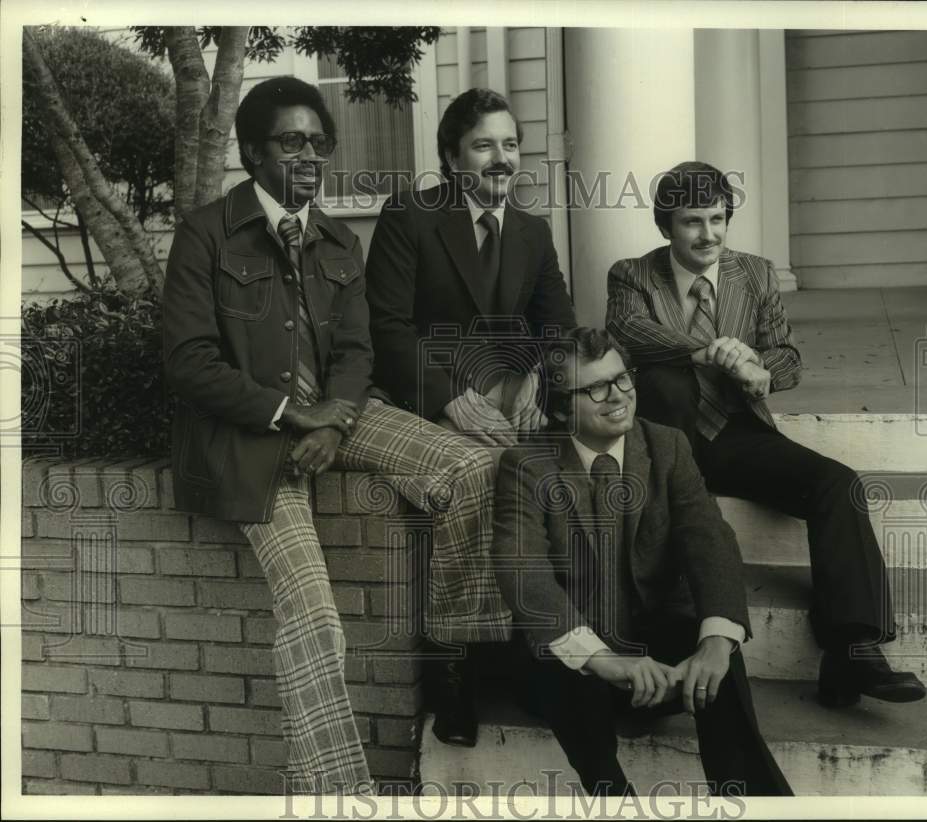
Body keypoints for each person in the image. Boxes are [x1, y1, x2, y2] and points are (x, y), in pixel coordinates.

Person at [162, 76, 497, 793]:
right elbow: (189, 362)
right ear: (253, 153)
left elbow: (356, 351)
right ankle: (339, 796)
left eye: (320, 141)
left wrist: (335, 416)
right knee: (317, 623)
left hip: (339, 414)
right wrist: (290, 417)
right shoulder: (204, 235)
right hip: (248, 440)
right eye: (292, 140)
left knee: (470, 469)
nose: (310, 154)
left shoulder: (340, 239)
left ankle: (452, 654)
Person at [605, 160, 925, 708]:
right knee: (667, 380)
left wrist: (760, 365)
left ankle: (853, 652)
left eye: (717, 218)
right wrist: (707, 350)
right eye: (691, 222)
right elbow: (629, 332)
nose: (709, 234)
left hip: (734, 433)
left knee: (839, 484)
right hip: (663, 445)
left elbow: (789, 358)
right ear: (665, 227)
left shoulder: (753, 273)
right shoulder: (633, 274)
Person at [492, 327, 792, 796]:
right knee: (565, 663)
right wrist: (606, 662)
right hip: (578, 667)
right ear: (558, 409)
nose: (618, 396)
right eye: (595, 388)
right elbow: (523, 572)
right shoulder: (527, 465)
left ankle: (756, 801)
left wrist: (717, 641)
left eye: (623, 378)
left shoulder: (667, 445)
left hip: (653, 650)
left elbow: (709, 539)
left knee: (720, 656)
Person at [366, 88, 576, 746]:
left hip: (505, 405)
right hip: (420, 403)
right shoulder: (410, 217)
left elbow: (559, 327)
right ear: (454, 158)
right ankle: (452, 664)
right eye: (485, 145)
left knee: (566, 471)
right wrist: (446, 397)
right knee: (486, 474)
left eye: (510, 144)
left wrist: (540, 374)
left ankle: (538, 651)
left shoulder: (533, 232)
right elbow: (388, 330)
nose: (502, 158)